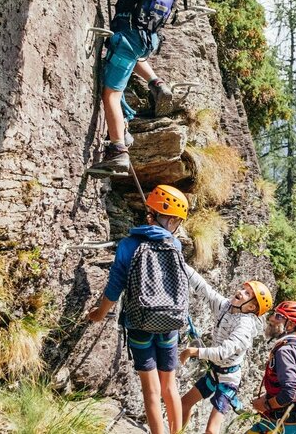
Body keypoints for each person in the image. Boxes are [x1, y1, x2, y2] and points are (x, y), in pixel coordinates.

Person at [88, 0, 196, 177]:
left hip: (128, 33)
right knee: (131, 58)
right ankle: (157, 84)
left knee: (111, 93)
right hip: (147, 36)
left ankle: (118, 152)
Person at [87, 184, 191, 434]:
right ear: (170, 220)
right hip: (170, 324)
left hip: (139, 323)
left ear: (149, 214)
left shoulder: (128, 245)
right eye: (175, 220)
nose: (176, 226)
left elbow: (115, 286)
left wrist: (99, 314)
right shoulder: (174, 245)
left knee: (151, 389)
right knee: (170, 386)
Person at [179, 274, 273, 434]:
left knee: (211, 430)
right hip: (215, 372)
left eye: (247, 293)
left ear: (251, 307)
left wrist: (193, 351)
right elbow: (204, 288)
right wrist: (180, 262)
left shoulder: (245, 328)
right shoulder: (226, 307)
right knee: (184, 403)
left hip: (228, 380)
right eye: (243, 288)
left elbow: (223, 353)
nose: (241, 291)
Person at [247, 301, 296, 434]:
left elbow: (290, 392)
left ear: (290, 325)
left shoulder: (284, 351)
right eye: (274, 314)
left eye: (279, 316)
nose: (271, 319)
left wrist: (265, 405)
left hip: (282, 423)